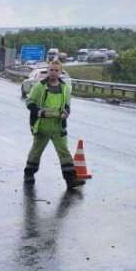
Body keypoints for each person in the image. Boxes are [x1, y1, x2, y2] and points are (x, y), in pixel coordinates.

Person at [24, 60, 85, 190]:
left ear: (60, 72)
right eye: (51, 70)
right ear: (48, 70)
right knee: (36, 151)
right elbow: (30, 102)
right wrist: (40, 113)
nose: (53, 73)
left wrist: (66, 112)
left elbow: (67, 104)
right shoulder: (39, 86)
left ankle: (71, 179)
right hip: (43, 125)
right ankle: (29, 174)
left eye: (56, 70)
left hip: (59, 125)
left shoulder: (64, 88)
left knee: (64, 152)